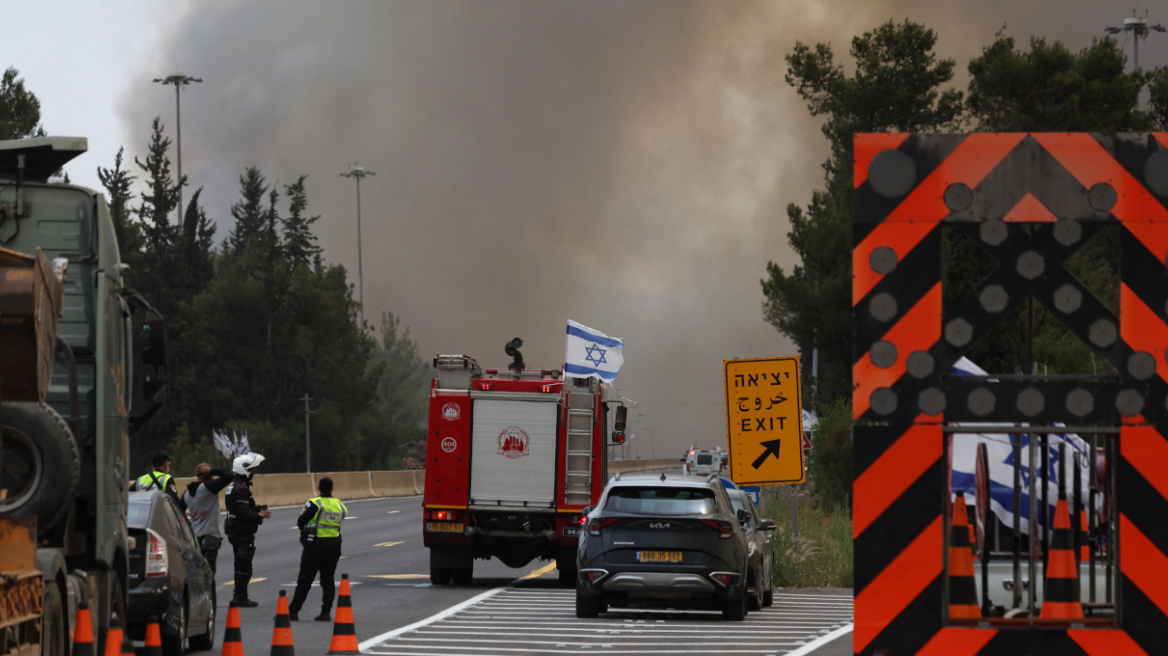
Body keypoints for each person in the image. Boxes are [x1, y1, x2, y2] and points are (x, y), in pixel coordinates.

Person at [287, 477, 348, 621]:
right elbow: (342, 517)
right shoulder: (339, 505)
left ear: (318, 488)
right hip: (334, 545)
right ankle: (326, 612)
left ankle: (293, 611)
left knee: (305, 579)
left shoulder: (314, 503)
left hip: (316, 545)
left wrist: (306, 533)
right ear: (332, 489)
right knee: (328, 579)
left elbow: (301, 521)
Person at [224, 453, 271, 607]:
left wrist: (258, 508)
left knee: (240, 563)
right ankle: (239, 597)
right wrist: (259, 515)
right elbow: (243, 511)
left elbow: (244, 507)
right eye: (252, 469)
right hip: (241, 531)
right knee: (244, 566)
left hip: (235, 529)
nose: (254, 472)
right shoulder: (240, 488)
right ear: (244, 470)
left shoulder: (234, 485)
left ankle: (240, 596)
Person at [179, 462, 234, 575]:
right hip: (211, 535)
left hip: (195, 537)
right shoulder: (209, 488)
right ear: (208, 475)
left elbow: (178, 512)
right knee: (209, 568)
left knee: (197, 568)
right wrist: (212, 470)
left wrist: (188, 525)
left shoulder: (187, 493)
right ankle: (209, 590)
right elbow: (230, 476)